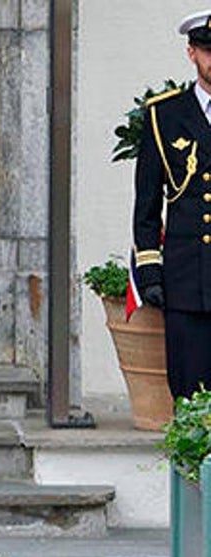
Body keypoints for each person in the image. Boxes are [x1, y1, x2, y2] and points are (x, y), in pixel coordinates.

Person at [133, 9, 211, 400]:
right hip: (187, 281)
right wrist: (149, 271)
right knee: (188, 395)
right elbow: (146, 205)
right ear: (192, 53)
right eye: (209, 51)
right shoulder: (164, 116)